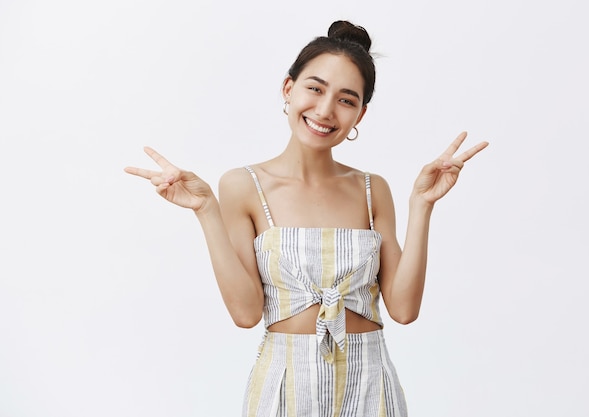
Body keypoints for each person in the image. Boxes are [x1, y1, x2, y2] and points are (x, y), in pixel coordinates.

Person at [125, 20, 488, 417]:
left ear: (360, 116)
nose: (325, 110)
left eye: (346, 100)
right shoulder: (243, 186)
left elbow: (403, 309)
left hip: (370, 385)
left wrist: (422, 205)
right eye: (315, 88)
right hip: (285, 386)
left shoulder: (372, 190)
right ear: (288, 89)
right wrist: (206, 210)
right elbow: (246, 314)